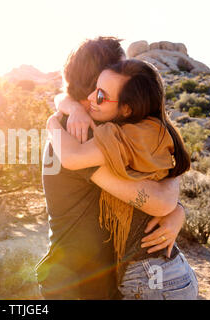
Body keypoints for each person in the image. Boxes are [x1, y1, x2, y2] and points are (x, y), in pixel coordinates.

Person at [36, 37, 186, 300]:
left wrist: (179, 212)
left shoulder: (86, 126)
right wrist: (176, 211)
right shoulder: (86, 134)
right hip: (82, 282)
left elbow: (153, 175)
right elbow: (160, 200)